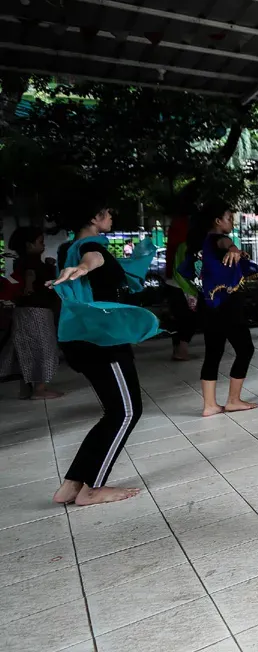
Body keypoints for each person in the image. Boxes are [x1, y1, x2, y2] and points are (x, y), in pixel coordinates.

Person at [51, 203, 159, 506]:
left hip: (82, 337)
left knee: (114, 411)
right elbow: (93, 257)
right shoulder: (89, 245)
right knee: (126, 412)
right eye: (108, 213)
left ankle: (73, 484)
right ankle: (92, 489)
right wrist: (86, 267)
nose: (112, 218)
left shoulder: (66, 248)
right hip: (101, 339)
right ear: (93, 216)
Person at [187, 202, 258, 417]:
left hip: (209, 305)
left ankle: (210, 405)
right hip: (227, 304)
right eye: (229, 217)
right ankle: (233, 400)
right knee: (245, 349)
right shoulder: (217, 239)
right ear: (218, 221)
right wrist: (233, 248)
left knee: (213, 352)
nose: (232, 221)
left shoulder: (200, 243)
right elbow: (224, 242)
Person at [0, 227, 61, 399]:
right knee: (43, 348)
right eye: (40, 241)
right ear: (29, 245)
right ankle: (39, 389)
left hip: (27, 311)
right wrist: (28, 286)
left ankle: (27, 389)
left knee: (26, 349)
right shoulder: (31, 262)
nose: (43, 244)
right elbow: (30, 275)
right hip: (36, 311)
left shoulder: (25, 261)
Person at [164, 187, 200, 362]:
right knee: (189, 318)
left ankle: (178, 350)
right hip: (182, 281)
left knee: (179, 317)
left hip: (173, 277)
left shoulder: (176, 224)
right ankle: (181, 351)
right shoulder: (188, 226)